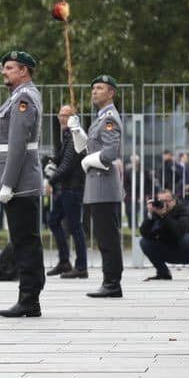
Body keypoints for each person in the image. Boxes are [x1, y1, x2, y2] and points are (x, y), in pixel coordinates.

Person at [0, 50, 44, 317]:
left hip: (20, 183)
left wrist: (8, 183)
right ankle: (29, 299)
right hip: (19, 182)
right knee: (24, 239)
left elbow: (18, 145)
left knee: (25, 241)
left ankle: (28, 298)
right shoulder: (19, 97)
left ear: (23, 71)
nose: (4, 72)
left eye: (10, 68)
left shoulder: (24, 97)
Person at [81, 74, 125, 298]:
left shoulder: (110, 118)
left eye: (100, 88)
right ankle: (110, 281)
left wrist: (90, 160)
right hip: (97, 186)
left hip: (104, 185)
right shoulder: (100, 118)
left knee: (107, 236)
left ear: (111, 93)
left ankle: (112, 283)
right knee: (103, 235)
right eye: (93, 88)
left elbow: (109, 153)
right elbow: (93, 145)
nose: (94, 91)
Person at [44, 104, 89, 278]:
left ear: (73, 118)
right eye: (60, 114)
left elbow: (69, 164)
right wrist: (51, 161)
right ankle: (64, 261)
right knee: (54, 220)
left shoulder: (76, 136)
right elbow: (62, 158)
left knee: (75, 227)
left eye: (66, 115)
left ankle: (81, 267)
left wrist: (51, 180)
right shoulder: (67, 135)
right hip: (65, 188)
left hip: (73, 188)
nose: (62, 118)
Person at [139, 189, 189, 280]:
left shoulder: (183, 212)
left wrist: (164, 215)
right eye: (161, 201)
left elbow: (178, 232)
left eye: (166, 201)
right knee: (144, 242)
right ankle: (163, 272)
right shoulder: (156, 214)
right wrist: (150, 215)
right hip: (168, 250)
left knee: (187, 239)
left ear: (174, 201)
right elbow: (145, 233)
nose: (164, 204)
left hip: (188, 253)